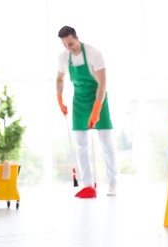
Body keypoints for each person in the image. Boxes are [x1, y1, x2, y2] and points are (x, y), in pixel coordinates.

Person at [56, 25, 117, 196]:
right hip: (80, 103)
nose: (69, 48)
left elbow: (102, 85)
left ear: (76, 38)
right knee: (81, 146)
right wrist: (59, 98)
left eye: (71, 43)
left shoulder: (93, 53)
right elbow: (60, 79)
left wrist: (96, 110)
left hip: (99, 99)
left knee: (106, 144)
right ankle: (87, 184)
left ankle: (113, 183)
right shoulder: (63, 57)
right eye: (65, 45)